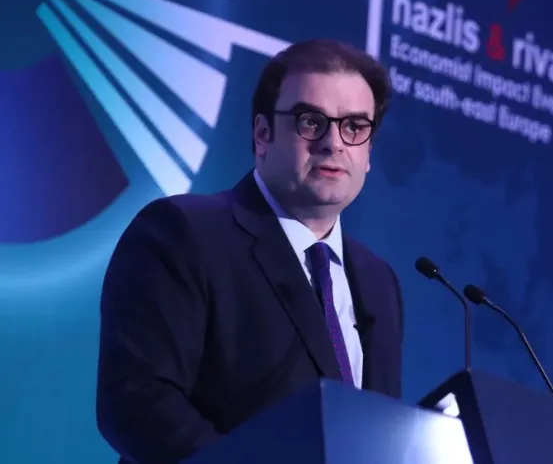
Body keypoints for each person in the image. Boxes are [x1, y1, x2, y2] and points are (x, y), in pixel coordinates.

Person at [96, 38, 404, 464]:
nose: (333, 143)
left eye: (354, 127)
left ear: (368, 151)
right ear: (262, 135)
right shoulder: (183, 233)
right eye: (311, 122)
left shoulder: (378, 281)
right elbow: (138, 402)